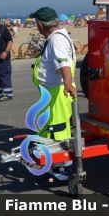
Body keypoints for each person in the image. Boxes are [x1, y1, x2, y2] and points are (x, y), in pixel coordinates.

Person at [29, 7, 77, 140]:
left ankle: (58, 159)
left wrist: (67, 83)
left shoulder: (56, 40)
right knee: (53, 127)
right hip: (54, 91)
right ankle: (54, 156)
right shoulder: (59, 36)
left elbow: (63, 63)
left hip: (56, 93)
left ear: (40, 24)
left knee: (56, 131)